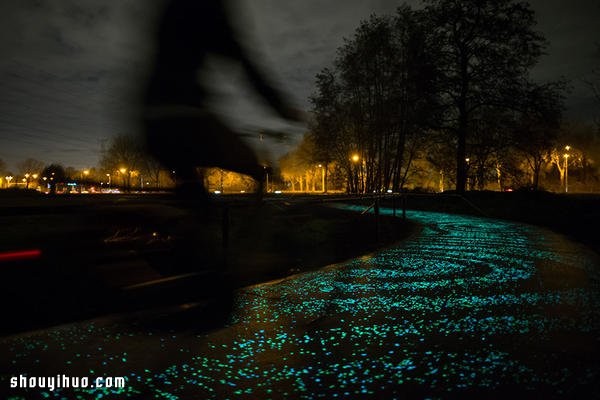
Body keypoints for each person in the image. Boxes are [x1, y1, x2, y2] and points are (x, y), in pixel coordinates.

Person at [142, 0, 303, 199]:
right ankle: (254, 219)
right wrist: (283, 109)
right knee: (250, 162)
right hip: (188, 120)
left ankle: (191, 201)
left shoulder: (170, 9)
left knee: (190, 185)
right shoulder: (211, 10)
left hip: (150, 124)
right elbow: (247, 67)